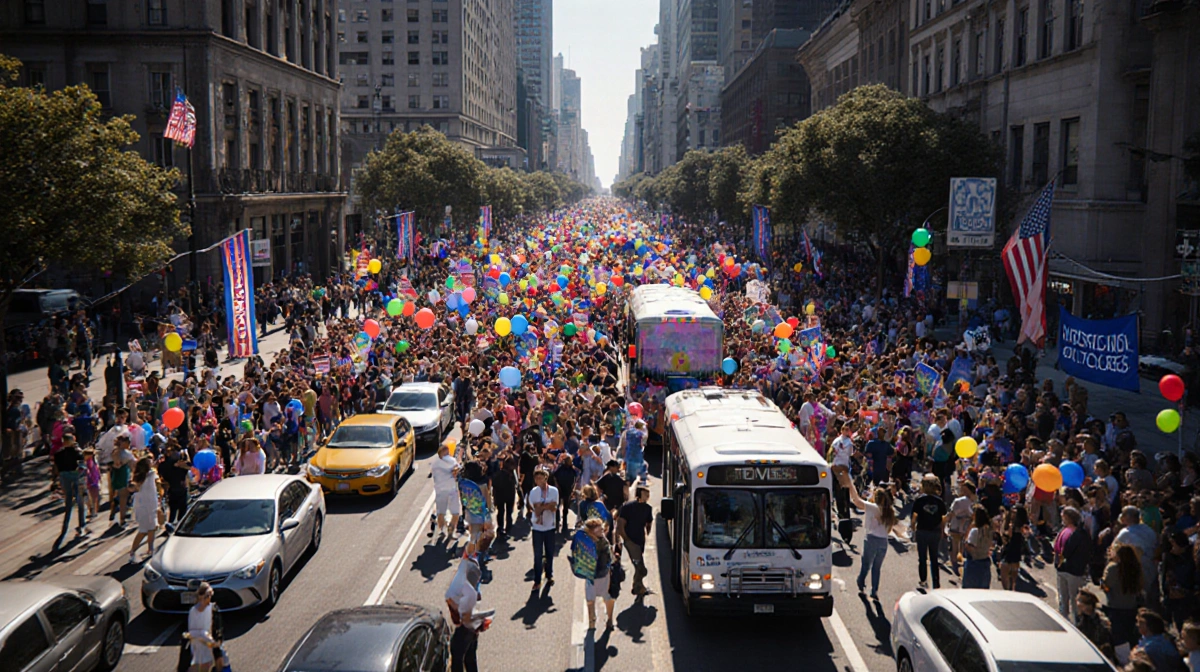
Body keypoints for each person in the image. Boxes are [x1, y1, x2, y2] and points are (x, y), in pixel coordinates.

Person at [839, 469, 895, 598]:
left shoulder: (872, 507)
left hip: (871, 539)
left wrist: (851, 486)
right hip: (883, 541)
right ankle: (874, 590)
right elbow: (889, 529)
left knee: (866, 565)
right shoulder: (890, 511)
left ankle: (861, 581)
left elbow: (856, 500)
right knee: (876, 568)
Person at [1054, 506, 1093, 622]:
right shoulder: (1075, 532)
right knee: (1067, 598)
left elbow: (1066, 551)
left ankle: (1075, 622)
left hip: (1071, 570)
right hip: (1069, 570)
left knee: (1072, 599)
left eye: (1063, 517)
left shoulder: (1076, 533)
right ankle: (1067, 620)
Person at [1102, 544, 1144, 649]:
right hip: (1131, 607)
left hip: (1115, 607)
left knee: (1117, 639)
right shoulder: (1136, 569)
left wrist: (1102, 582)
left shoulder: (1113, 569)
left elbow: (1106, 586)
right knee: (1130, 636)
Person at [910, 474, 948, 590]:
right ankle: (936, 583)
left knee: (922, 558)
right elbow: (943, 517)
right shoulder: (939, 501)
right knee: (934, 558)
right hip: (935, 531)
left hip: (922, 530)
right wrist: (942, 530)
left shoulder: (920, 500)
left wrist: (913, 529)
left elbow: (914, 516)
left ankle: (923, 580)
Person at [580, 517, 616, 630]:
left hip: (592, 576)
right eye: (599, 528)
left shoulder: (585, 541)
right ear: (592, 531)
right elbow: (611, 558)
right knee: (607, 597)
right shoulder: (603, 542)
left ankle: (592, 622)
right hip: (603, 576)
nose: (602, 530)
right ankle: (609, 619)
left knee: (590, 599)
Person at [617, 485, 654, 596]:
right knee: (641, 568)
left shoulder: (648, 508)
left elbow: (648, 523)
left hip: (640, 540)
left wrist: (648, 531)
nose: (647, 496)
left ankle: (638, 587)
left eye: (648, 494)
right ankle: (638, 587)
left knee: (639, 566)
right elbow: (621, 523)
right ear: (639, 494)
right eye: (645, 493)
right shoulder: (628, 507)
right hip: (631, 541)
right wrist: (625, 538)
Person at [527, 469, 559, 591]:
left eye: (540, 478)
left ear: (546, 478)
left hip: (550, 526)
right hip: (537, 528)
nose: (538, 481)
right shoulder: (533, 492)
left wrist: (542, 506)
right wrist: (546, 506)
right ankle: (537, 580)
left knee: (550, 553)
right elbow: (536, 509)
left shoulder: (553, 491)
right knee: (538, 555)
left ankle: (549, 575)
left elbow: (554, 507)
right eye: (536, 479)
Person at [54, 434, 86, 542]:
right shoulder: (77, 452)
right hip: (75, 476)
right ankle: (81, 524)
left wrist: (56, 480)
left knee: (68, 501)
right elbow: (82, 466)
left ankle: (66, 524)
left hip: (64, 477)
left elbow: (57, 469)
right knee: (80, 501)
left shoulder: (58, 454)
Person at [185, 582, 223, 672]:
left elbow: (218, 627)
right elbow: (192, 631)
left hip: (208, 645)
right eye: (209, 596)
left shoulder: (212, 609)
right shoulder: (193, 611)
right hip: (198, 646)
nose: (210, 599)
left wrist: (216, 641)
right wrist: (204, 636)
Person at [129, 456, 160, 563]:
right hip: (143, 507)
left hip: (151, 505)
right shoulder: (146, 475)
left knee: (152, 528)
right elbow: (133, 487)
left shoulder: (150, 474)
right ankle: (132, 551)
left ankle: (150, 549)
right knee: (143, 531)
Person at [1074, 589, 1115, 662]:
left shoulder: (1100, 620)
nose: (1079, 607)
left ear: (1089, 605)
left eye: (1081, 605)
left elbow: (1104, 637)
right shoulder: (1081, 618)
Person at [962, 505, 994, 589]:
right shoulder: (989, 531)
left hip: (974, 563)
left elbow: (969, 546)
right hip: (985, 561)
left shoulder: (975, 531)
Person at [109, 434, 134, 526]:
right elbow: (131, 464)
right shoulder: (126, 453)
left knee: (116, 494)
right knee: (123, 498)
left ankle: (113, 511)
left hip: (115, 474)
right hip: (123, 474)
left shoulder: (115, 451)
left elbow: (115, 463)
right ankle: (122, 520)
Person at [621, 420, 648, 486]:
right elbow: (642, 444)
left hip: (629, 456)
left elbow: (624, 443)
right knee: (641, 471)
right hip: (637, 457)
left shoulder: (628, 432)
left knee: (629, 477)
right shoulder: (640, 434)